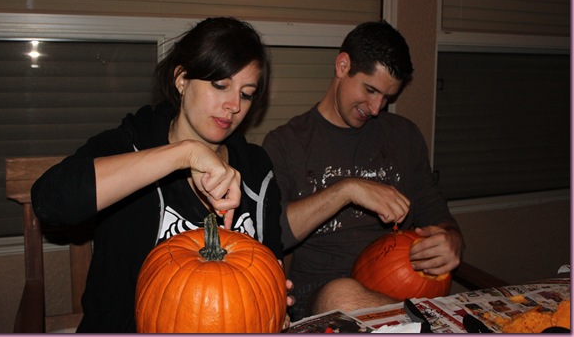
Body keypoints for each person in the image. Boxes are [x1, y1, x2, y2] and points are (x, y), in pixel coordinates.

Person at [31, 17, 290, 332]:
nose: (233, 105)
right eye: (220, 85)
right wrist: (185, 154)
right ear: (182, 79)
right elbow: (51, 200)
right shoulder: (130, 144)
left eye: (246, 93)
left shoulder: (256, 169)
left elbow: (269, 267)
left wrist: (271, 308)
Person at [262, 20, 464, 321]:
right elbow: (273, 232)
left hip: (400, 290)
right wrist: (347, 190)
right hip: (321, 294)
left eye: (387, 98)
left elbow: (437, 215)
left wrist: (451, 241)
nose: (376, 108)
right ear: (343, 65)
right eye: (370, 90)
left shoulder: (404, 137)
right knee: (342, 293)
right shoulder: (286, 142)